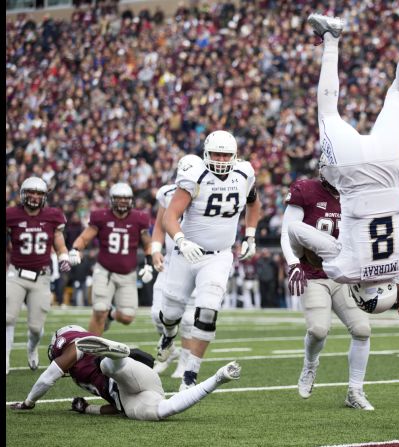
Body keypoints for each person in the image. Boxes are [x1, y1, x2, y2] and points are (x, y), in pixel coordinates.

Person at [287, 1, 399, 312]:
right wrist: (301, 255)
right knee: (327, 112)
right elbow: (299, 230)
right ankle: (331, 39)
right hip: (350, 174)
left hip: (389, 171)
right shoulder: (345, 272)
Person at [159, 130, 262, 391]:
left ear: (234, 155)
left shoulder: (244, 174)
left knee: (208, 310)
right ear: (206, 153)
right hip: (187, 253)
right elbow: (169, 216)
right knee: (170, 313)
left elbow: (254, 203)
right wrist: (181, 240)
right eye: (216, 153)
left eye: (225, 154)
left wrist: (250, 236)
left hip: (219, 256)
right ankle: (168, 336)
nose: (220, 158)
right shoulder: (196, 175)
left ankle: (190, 374)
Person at [280, 156, 375, 410]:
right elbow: (288, 230)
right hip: (314, 275)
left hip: (345, 276)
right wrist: (293, 263)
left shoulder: (357, 194)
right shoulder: (306, 190)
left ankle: (355, 391)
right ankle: (310, 365)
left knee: (362, 329)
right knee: (318, 330)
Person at [9, 325, 240, 420]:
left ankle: (117, 354)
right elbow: (115, 408)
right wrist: (87, 408)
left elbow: (47, 378)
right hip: (130, 397)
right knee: (163, 410)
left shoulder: (74, 345)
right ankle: (219, 378)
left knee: (106, 366)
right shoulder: (79, 359)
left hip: (127, 374)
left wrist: (29, 402)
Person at [68, 182, 154, 335]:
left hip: (128, 274)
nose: (122, 201)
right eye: (119, 198)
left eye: (125, 198)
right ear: (112, 200)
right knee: (99, 309)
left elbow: (148, 244)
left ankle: (111, 315)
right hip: (105, 272)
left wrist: (148, 264)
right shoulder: (101, 217)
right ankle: (91, 352)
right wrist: (75, 250)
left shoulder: (139, 218)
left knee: (127, 317)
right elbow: (84, 238)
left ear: (131, 200)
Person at [6, 176, 72, 374]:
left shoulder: (53, 215)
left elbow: (58, 240)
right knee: (8, 317)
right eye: (31, 192)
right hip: (15, 274)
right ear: (22, 194)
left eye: (39, 193)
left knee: (35, 327)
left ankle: (32, 347)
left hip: (41, 276)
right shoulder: (11, 214)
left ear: (45, 196)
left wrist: (63, 256)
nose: (35, 197)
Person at [149, 179, 197, 377]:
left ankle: (185, 361)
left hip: (193, 262)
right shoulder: (167, 193)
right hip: (170, 262)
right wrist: (155, 250)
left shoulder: (207, 192)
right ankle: (170, 348)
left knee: (187, 320)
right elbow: (160, 226)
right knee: (157, 313)